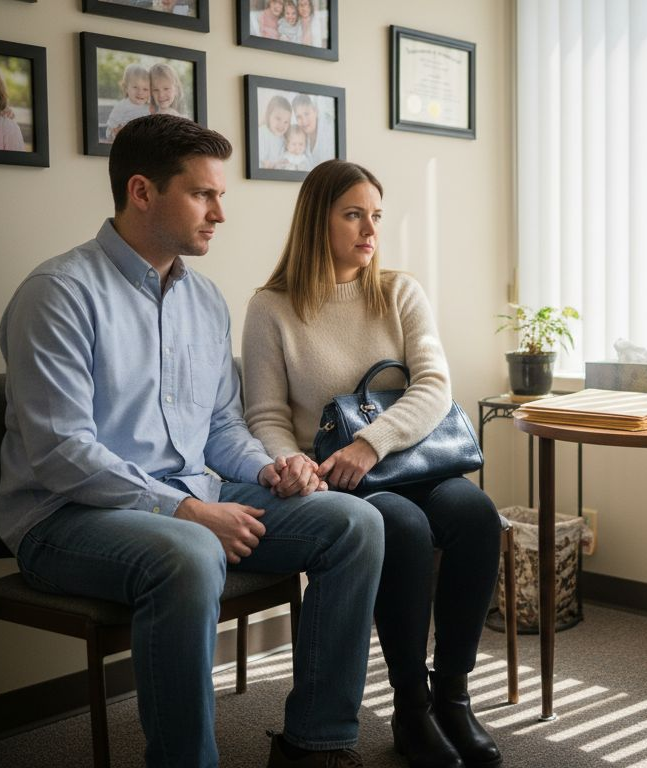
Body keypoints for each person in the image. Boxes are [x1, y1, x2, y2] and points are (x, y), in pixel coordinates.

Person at [0, 114, 384, 768]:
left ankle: (315, 745)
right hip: (64, 516)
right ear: (143, 192)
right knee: (190, 553)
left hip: (189, 493)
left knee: (355, 523)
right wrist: (187, 512)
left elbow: (221, 428)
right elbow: (62, 453)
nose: (219, 214)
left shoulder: (204, 301)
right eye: (204, 195)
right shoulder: (57, 293)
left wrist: (271, 469)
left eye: (221, 196)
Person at [243, 160, 504, 768]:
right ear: (318, 221)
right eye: (354, 214)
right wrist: (295, 465)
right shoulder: (271, 307)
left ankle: (454, 697)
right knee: (403, 529)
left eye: (376, 216)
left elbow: (435, 384)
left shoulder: (398, 291)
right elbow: (265, 414)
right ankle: (411, 706)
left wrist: (373, 442)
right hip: (340, 482)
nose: (370, 230)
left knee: (476, 514)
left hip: (414, 462)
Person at [104, 64, 151, 142]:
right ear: (126, 88)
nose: (140, 92)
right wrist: (114, 133)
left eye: (145, 89)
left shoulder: (149, 107)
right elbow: (109, 131)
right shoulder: (121, 107)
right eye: (135, 87)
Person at [292, 94, 334, 166]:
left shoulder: (329, 132)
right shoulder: (301, 138)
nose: (304, 121)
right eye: (299, 117)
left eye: (306, 114)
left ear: (315, 111)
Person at [259, 94, 291, 169]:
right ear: (268, 115)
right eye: (278, 118)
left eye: (286, 122)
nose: (281, 125)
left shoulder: (283, 139)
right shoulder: (262, 133)